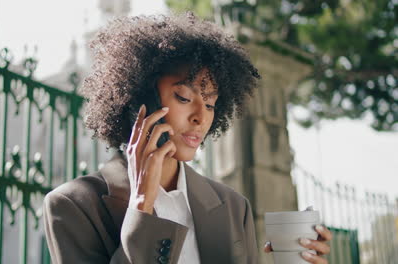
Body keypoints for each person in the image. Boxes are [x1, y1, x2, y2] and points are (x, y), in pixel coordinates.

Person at [43, 12, 332, 264]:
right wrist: (142, 206)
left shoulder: (233, 207)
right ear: (141, 97)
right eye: (184, 97)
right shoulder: (72, 205)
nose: (201, 117)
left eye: (210, 104)